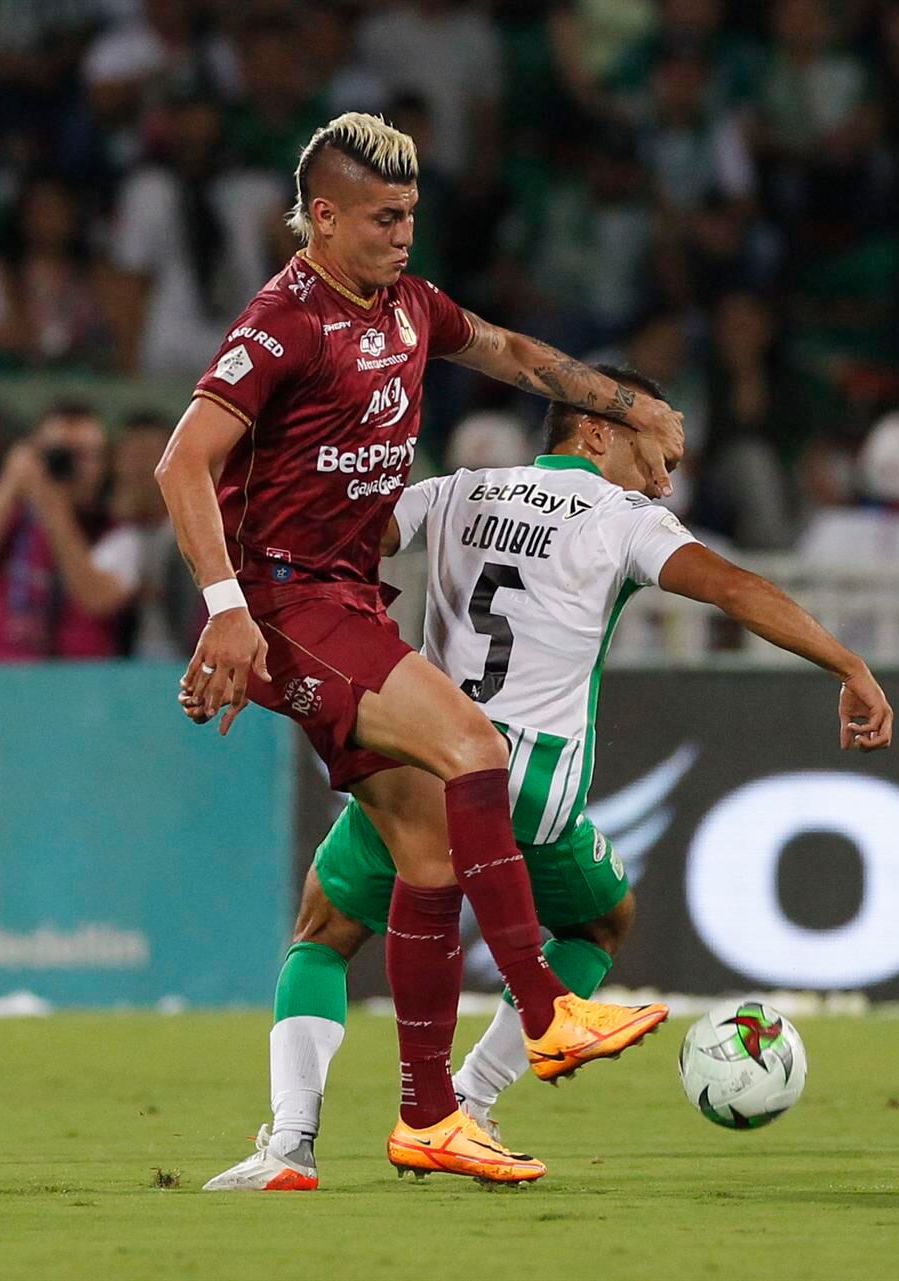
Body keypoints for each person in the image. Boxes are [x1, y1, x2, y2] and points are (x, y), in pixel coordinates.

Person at [157, 113, 688, 1187]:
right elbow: (181, 463)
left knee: (430, 859)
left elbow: (513, 355)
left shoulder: (409, 307)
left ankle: (420, 1119)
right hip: (287, 602)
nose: (403, 235)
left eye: (410, 215)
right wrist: (226, 610)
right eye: (382, 218)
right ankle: (546, 1009)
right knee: (474, 750)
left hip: (347, 600)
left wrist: (622, 401)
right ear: (321, 218)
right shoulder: (283, 322)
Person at [205, 365, 893, 1191]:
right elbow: (735, 589)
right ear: (596, 429)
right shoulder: (623, 518)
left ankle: (291, 1144)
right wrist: (848, 663)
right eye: (657, 455)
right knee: (602, 921)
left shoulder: (459, 491)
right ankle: (473, 1095)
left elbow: (346, 537)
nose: (664, 480)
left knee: (323, 933)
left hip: (423, 760)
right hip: (528, 788)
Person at [0, 402, 129, 661]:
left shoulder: (118, 531)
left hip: (79, 677)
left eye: (86, 455)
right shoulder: (1, 512)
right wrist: (10, 485)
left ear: (105, 463)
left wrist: (54, 512)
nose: (73, 466)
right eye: (60, 454)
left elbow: (97, 599)